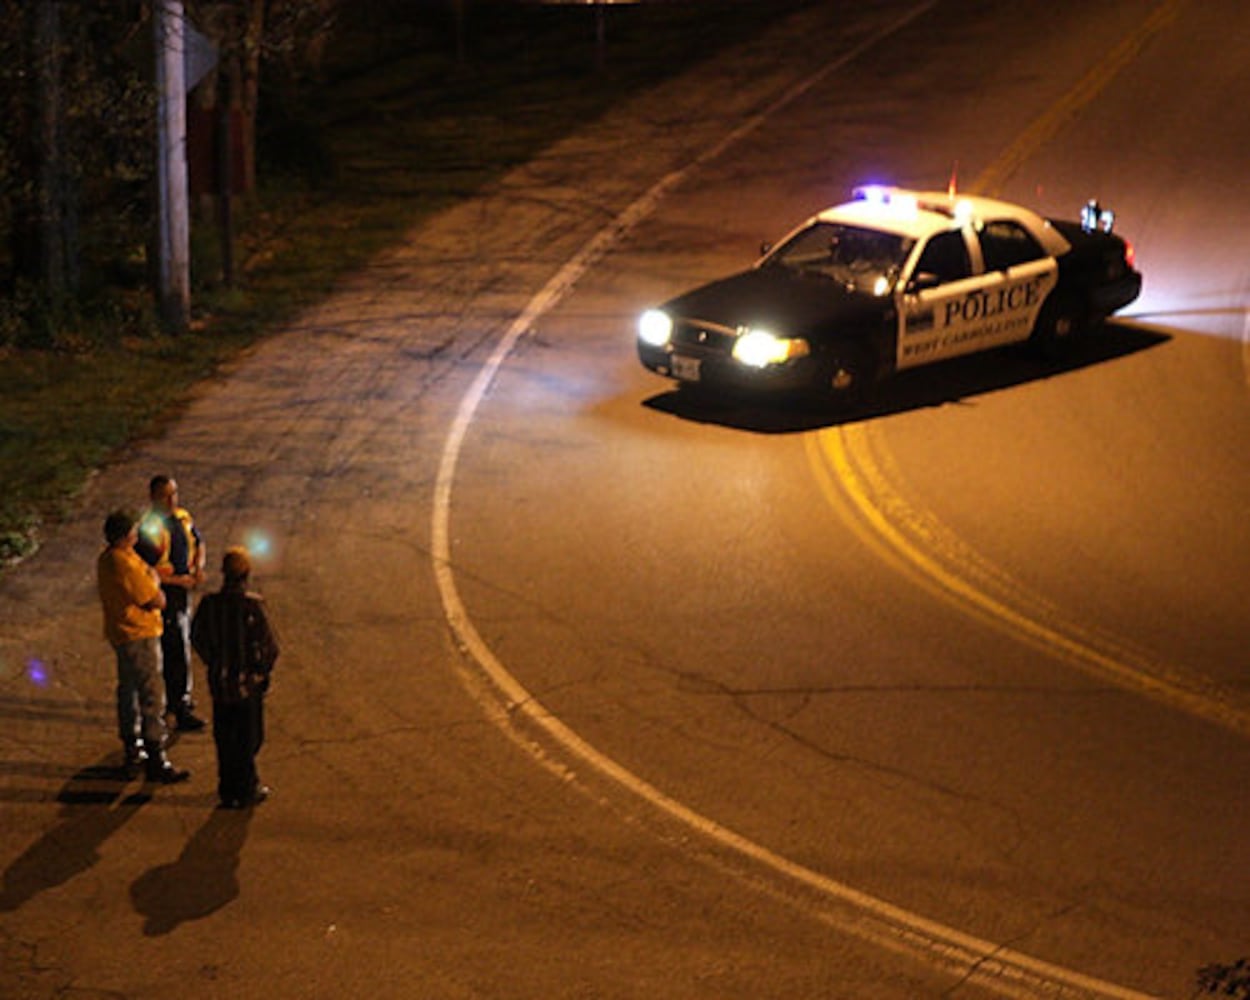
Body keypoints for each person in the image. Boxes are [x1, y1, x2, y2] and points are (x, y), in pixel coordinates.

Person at [96, 509, 190, 784]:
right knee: (151, 693)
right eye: (134, 532)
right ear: (126, 536)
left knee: (128, 691)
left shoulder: (109, 559)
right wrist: (155, 583)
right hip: (139, 633)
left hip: (122, 634)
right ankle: (155, 756)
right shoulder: (124, 563)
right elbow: (154, 599)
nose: (137, 536)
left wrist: (151, 576)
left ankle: (132, 749)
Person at [191, 547, 279, 809]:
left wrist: (213, 661)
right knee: (249, 737)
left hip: (220, 684)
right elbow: (270, 646)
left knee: (225, 737)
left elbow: (197, 637)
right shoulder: (252, 605)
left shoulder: (210, 605)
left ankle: (227, 788)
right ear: (246, 575)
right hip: (246, 686)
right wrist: (261, 672)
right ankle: (247, 785)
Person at [136, 475, 207, 732]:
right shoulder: (149, 528)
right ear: (153, 498)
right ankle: (176, 706)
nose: (172, 499)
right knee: (173, 648)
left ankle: (180, 700)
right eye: (166, 495)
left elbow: (199, 543)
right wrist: (180, 580)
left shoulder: (182, 518)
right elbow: (148, 569)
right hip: (164, 594)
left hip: (181, 591)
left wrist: (198, 568)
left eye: (174, 493)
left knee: (181, 645)